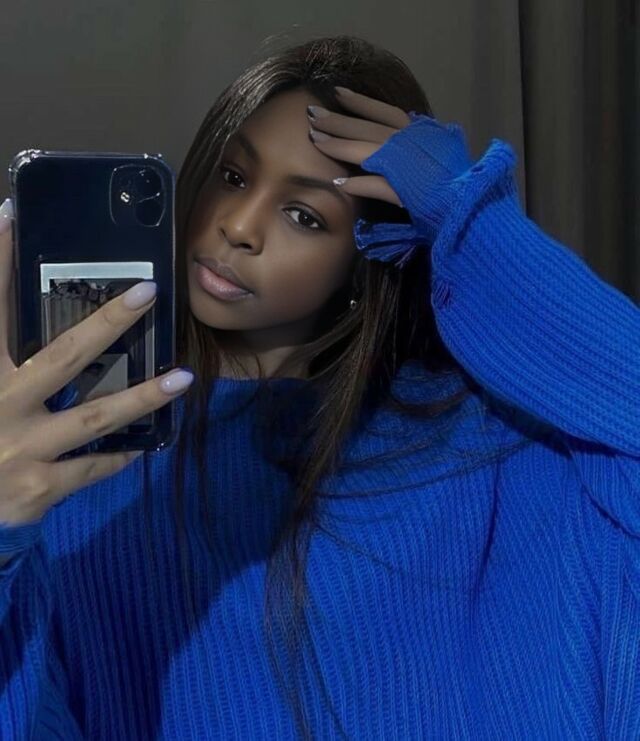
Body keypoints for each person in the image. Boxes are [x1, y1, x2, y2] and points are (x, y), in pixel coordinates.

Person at [1, 33, 639, 740]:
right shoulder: (72, 456)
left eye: (304, 216)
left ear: (367, 258)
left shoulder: (482, 447)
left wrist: (472, 220)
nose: (237, 227)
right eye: (233, 176)